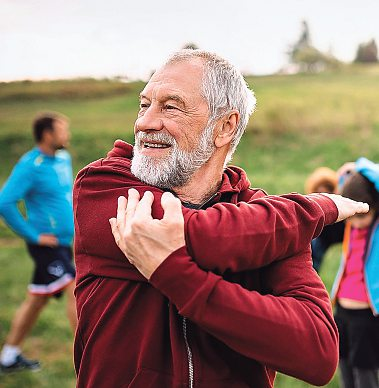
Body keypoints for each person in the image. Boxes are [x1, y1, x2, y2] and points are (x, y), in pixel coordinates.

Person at [73, 50, 368, 387]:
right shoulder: (104, 185)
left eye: (170, 106)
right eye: (144, 104)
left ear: (225, 127)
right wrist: (314, 208)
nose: (145, 122)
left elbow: (317, 353)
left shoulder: (268, 222)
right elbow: (202, 237)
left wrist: (175, 274)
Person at [0, 112, 76, 373]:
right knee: (75, 287)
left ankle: (8, 356)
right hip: (47, 245)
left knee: (37, 300)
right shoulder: (30, 166)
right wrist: (33, 236)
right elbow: (5, 202)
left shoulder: (63, 159)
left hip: (64, 242)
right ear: (47, 134)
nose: (67, 135)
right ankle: (88, 355)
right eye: (62, 130)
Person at [331, 157, 379, 388]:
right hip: (342, 311)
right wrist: (346, 175)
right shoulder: (350, 223)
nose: (357, 223)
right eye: (354, 216)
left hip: (366, 317)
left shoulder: (377, 228)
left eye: (363, 216)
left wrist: (359, 165)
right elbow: (344, 191)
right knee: (345, 369)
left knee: (365, 375)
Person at [305, 167, 345, 272]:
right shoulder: (313, 209)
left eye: (328, 191)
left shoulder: (343, 203)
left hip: (343, 229)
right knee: (313, 254)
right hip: (324, 234)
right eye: (319, 193)